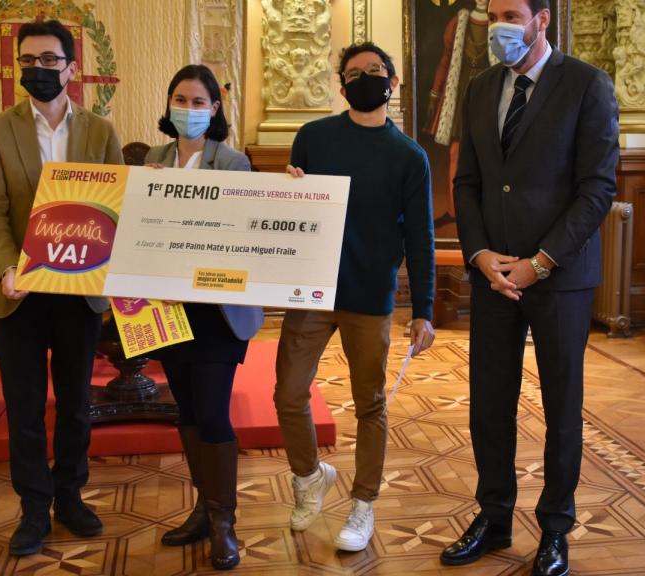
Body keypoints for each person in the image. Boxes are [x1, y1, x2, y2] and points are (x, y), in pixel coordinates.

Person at [439, 0, 619, 575]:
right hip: (494, 276)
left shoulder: (587, 85)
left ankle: (555, 529)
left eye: (512, 15)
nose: (500, 27)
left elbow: (597, 188)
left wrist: (540, 262)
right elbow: (468, 183)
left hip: (559, 277)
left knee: (561, 407)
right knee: (489, 404)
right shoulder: (480, 88)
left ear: (542, 19)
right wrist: (480, 254)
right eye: (493, 15)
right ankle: (493, 517)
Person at [274, 42, 436, 552]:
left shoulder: (409, 156)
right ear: (341, 86)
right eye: (354, 72)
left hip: (369, 293)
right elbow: (293, 212)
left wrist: (424, 310)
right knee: (288, 393)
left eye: (375, 70)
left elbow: (421, 238)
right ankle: (309, 478)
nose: (365, 78)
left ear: (392, 81)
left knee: (370, 402)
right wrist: (289, 190)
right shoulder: (313, 137)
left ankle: (363, 503)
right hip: (312, 289)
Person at [0, 20, 123, 556]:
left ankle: (70, 496)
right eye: (29, 61)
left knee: (77, 402)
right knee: (25, 405)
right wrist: (7, 267)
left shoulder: (100, 132)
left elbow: (116, 207)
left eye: (50, 60)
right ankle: (34, 508)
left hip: (79, 289)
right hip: (18, 291)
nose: (39, 69)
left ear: (71, 67)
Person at [143, 64, 264, 571]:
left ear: (214, 109)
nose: (188, 109)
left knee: (212, 412)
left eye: (198, 102)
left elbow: (236, 233)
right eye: (180, 100)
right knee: (187, 412)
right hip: (168, 309)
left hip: (216, 310)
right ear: (169, 105)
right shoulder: (153, 159)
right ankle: (203, 509)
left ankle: (224, 523)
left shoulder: (233, 163)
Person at [423, 0, 493, 228]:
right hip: (461, 93)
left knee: (488, 153)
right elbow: (446, 60)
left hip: (489, 93)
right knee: (455, 152)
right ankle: (454, 211)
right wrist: (435, 93)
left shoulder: (499, 23)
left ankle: (486, 211)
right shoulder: (459, 22)